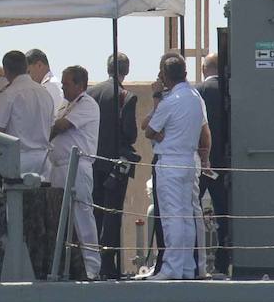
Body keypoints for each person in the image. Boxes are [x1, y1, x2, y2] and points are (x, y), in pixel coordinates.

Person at [143, 53, 212, 281]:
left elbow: (149, 130)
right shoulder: (195, 97)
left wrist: (157, 97)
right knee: (187, 216)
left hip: (170, 161)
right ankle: (187, 267)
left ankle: (172, 267)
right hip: (189, 161)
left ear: (164, 76)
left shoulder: (170, 102)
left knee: (172, 217)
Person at [49, 65, 101, 279]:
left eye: (67, 84)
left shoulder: (87, 104)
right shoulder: (66, 104)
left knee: (82, 216)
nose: (63, 88)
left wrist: (41, 132)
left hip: (77, 166)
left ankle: (92, 266)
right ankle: (66, 266)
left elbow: (61, 126)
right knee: (60, 219)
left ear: (80, 85)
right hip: (59, 167)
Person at [89, 53, 138, 279]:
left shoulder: (92, 93)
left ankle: (94, 263)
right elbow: (130, 133)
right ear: (126, 71)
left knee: (95, 213)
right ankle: (109, 265)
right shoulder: (126, 96)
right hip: (116, 165)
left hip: (93, 161)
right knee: (113, 214)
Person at [0, 50, 54, 176]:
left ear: (5, 71)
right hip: (43, 160)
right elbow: (51, 128)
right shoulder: (45, 93)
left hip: (18, 159)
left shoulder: (8, 94)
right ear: (26, 67)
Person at [197, 52, 231, 275]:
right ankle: (222, 263)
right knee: (224, 214)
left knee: (191, 211)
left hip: (201, 162)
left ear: (203, 69)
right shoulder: (229, 90)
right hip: (224, 163)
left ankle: (194, 261)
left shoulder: (198, 91)